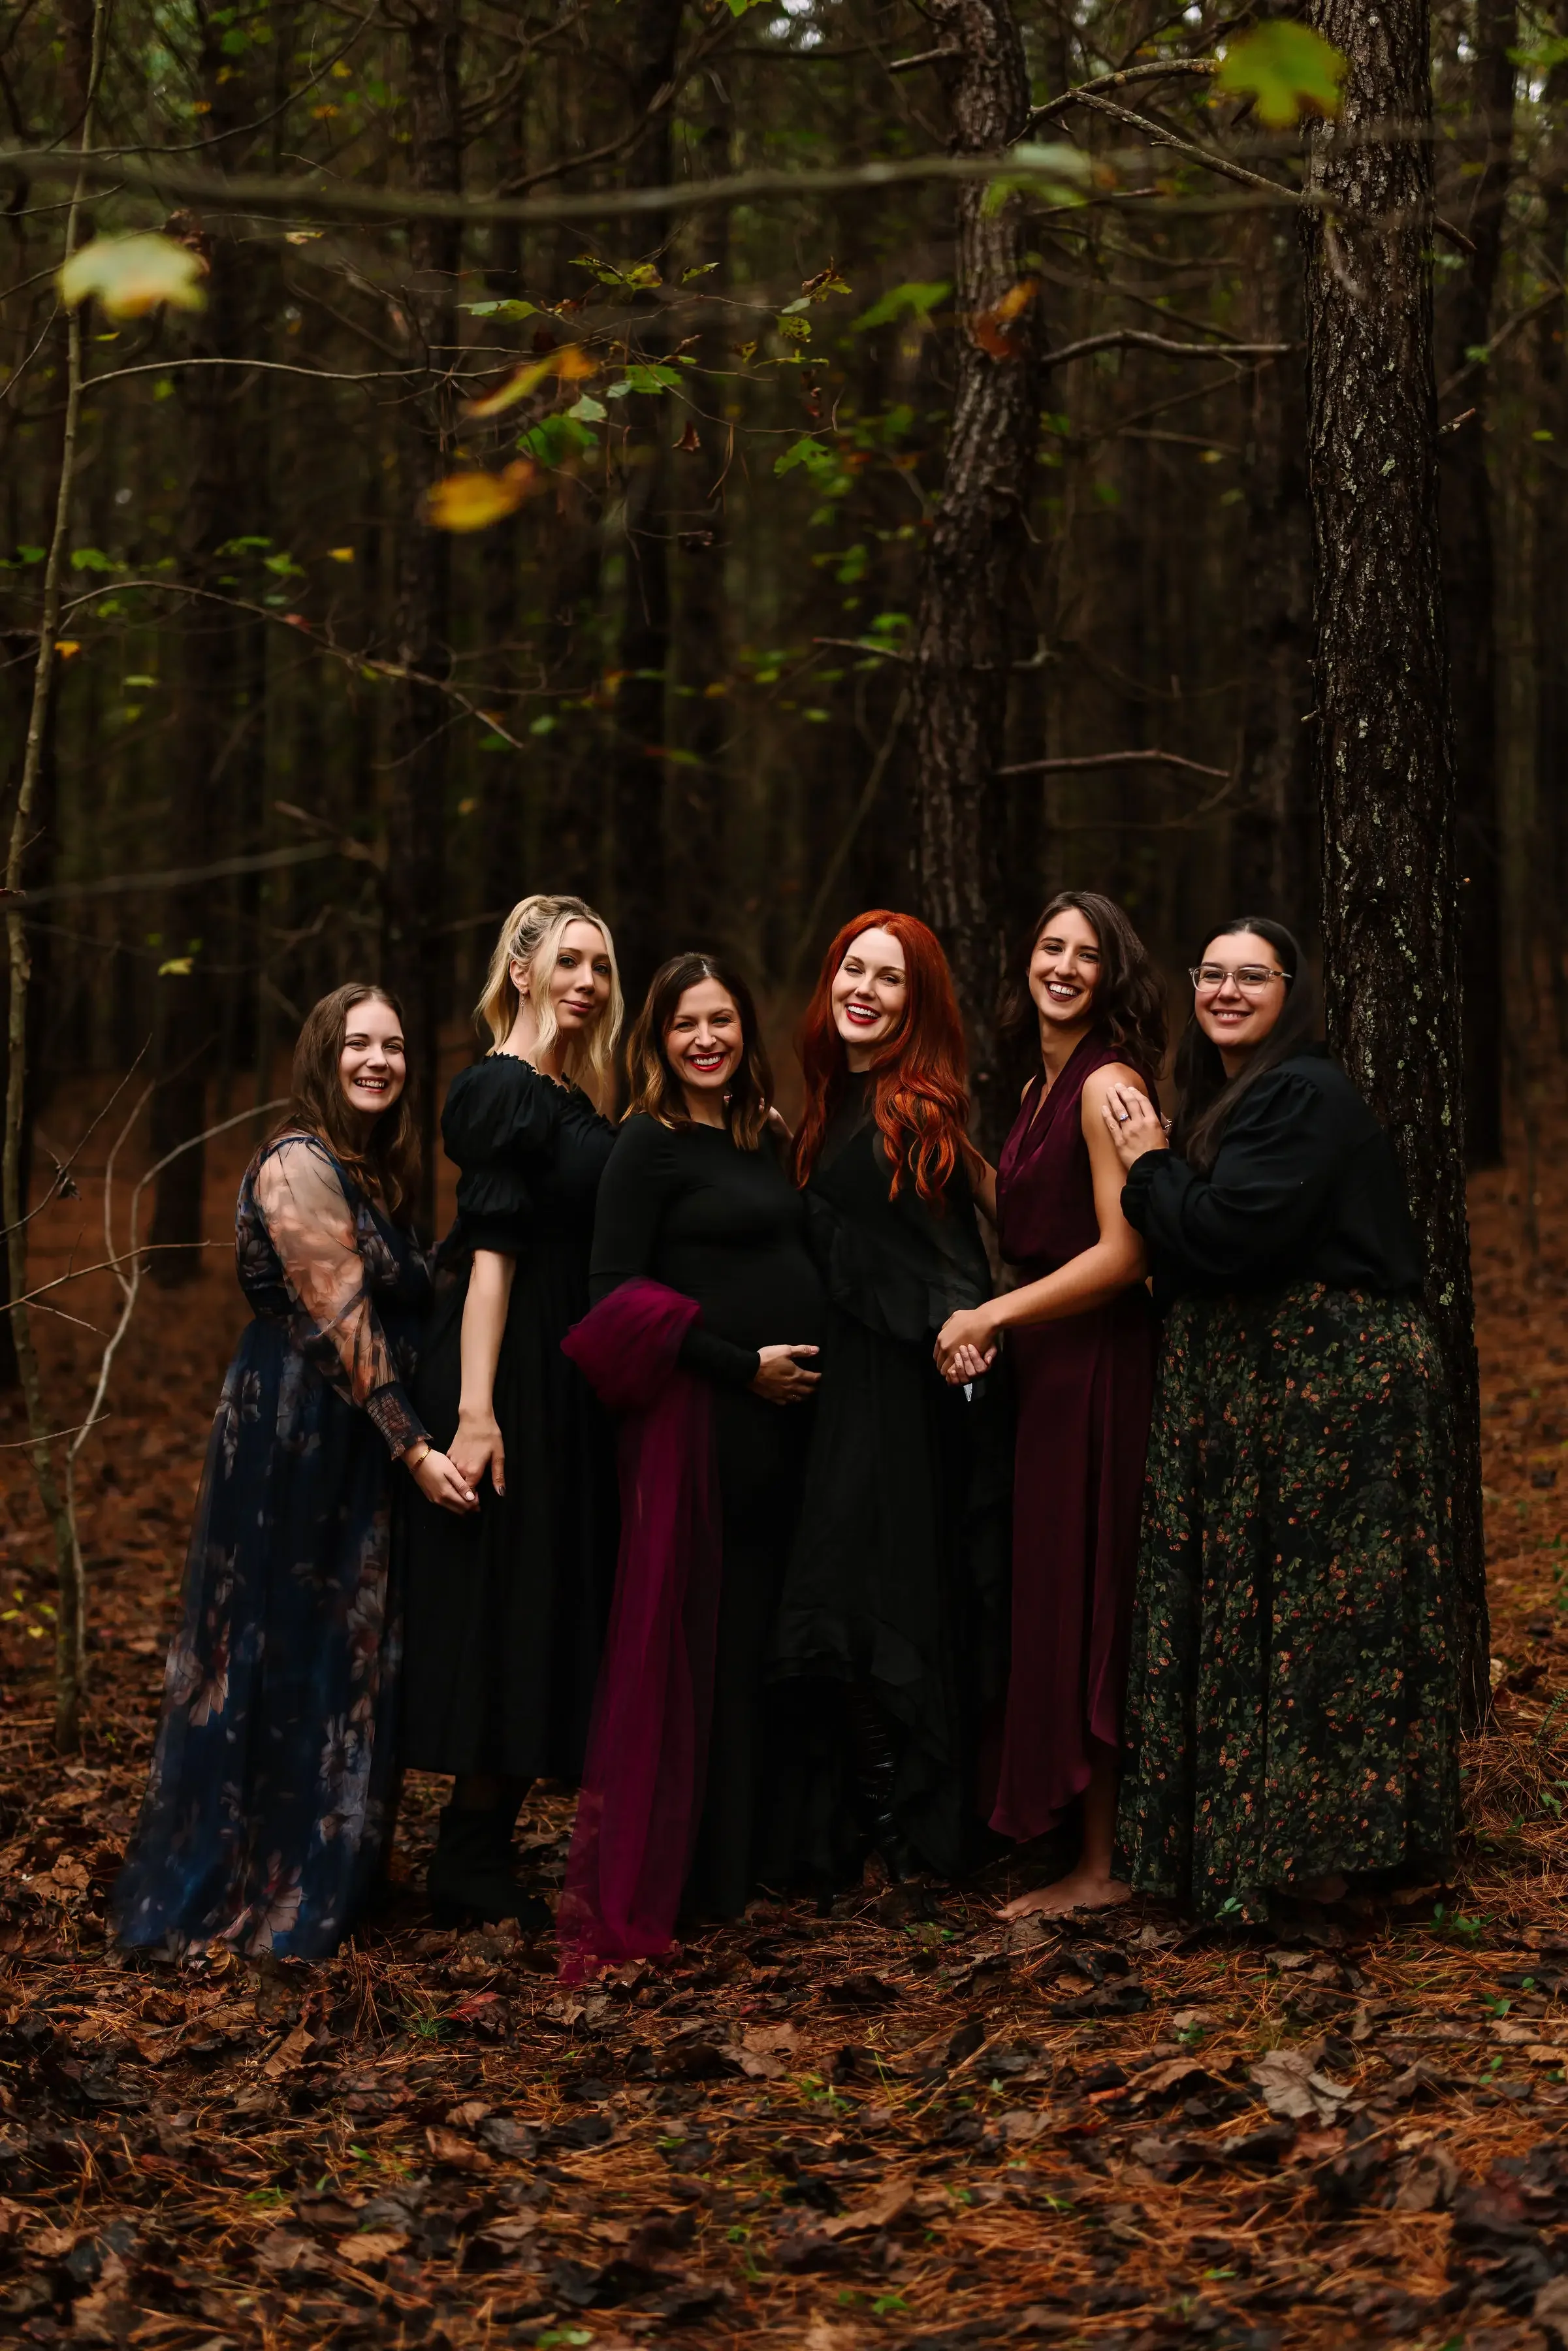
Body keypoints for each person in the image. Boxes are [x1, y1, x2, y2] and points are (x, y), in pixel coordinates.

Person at [1103, 917, 1461, 1919]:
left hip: (1335, 1396)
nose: (1224, 991)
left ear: (1290, 992)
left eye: (1250, 977)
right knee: (1280, 1614)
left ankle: (1325, 1859)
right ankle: (1280, 1847)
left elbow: (1227, 1237)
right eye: (1209, 973)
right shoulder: (1235, 1098)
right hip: (1281, 1400)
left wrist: (1149, 1165)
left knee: (1324, 1625)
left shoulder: (1305, 1091)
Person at [114, 986, 475, 1961]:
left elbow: (418, 1290)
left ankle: (331, 1865)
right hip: (299, 1428)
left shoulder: (374, 1173)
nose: (380, 1059)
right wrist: (413, 1445)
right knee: (283, 1639)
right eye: (359, 1042)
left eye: (395, 1045)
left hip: (354, 1431)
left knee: (347, 1644)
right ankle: (261, 1882)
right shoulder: (296, 1162)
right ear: (323, 1053)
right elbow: (338, 1321)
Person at [558, 954, 824, 1972]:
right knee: (688, 1642)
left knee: (752, 1637)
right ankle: (686, 1880)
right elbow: (613, 1293)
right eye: (686, 1026)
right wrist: (736, 1366)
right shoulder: (647, 1145)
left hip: (784, 1432)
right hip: (701, 1426)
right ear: (658, 1040)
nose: (707, 1039)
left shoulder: (761, 1136)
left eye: (723, 1020)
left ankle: (745, 1861)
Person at [769, 911, 1010, 1891]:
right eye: (851, 972)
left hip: (900, 1407)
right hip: (839, 1404)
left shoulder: (916, 1110)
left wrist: (970, 1342)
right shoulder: (837, 1101)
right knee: (842, 1610)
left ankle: (910, 1838)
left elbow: (955, 1267)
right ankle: (879, 1826)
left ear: (920, 1005)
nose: (865, 990)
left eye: (891, 979)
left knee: (872, 1612)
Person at [935, 892, 1164, 1919]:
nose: (1064, 967)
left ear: (1112, 975)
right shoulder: (1038, 1086)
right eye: (1049, 947)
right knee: (1053, 1595)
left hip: (1099, 1372)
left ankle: (1103, 1868)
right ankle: (1073, 1840)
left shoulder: (1108, 1083)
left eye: (1086, 954)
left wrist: (992, 1311)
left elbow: (1123, 1253)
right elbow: (1033, 1208)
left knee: (1090, 1598)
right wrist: (943, 1144)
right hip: (1048, 1375)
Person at [399, 895, 622, 1925]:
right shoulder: (504, 1092)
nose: (588, 982)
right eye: (570, 962)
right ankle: (469, 1857)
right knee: (502, 1590)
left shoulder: (573, 1095)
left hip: (565, 1360)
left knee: (546, 1587)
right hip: (508, 1358)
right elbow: (490, 1257)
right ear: (524, 972)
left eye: (604, 968)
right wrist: (477, 1409)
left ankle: (484, 1845)